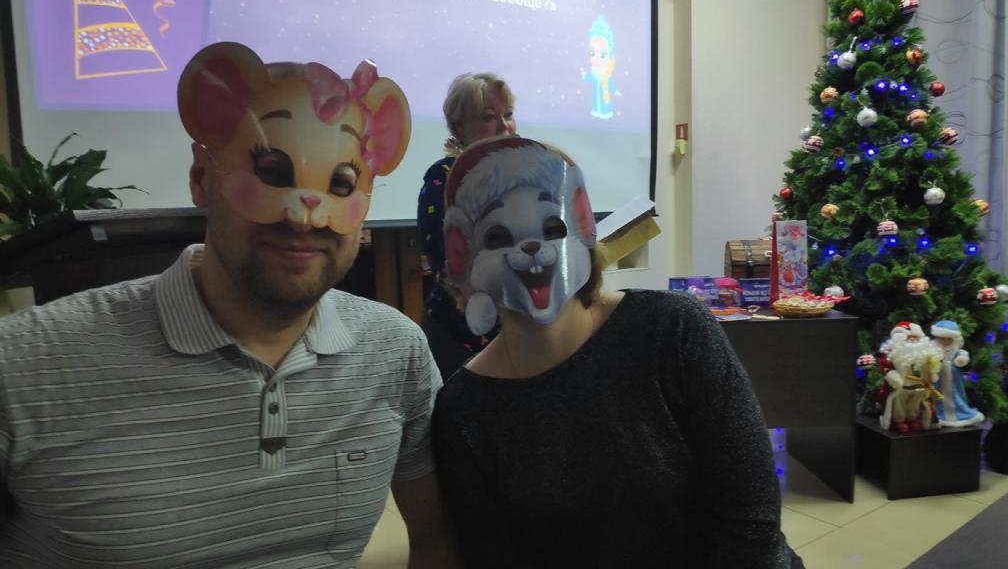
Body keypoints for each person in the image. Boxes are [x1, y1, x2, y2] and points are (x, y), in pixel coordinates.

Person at [0, 42, 455, 568]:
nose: (304, 216)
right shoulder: (24, 364)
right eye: (272, 171)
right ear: (201, 178)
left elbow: (436, 535)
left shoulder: (395, 353)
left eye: (341, 183)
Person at [432, 136, 802, 568]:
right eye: (497, 235)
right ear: (462, 253)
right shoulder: (464, 411)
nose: (532, 249)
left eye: (552, 228)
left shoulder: (673, 330)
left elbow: (751, 523)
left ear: (582, 226)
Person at [416, 72, 516, 380]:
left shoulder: (523, 178)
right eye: (489, 116)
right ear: (460, 127)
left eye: (509, 114)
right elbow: (443, 255)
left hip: (516, 325)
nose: (504, 126)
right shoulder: (444, 176)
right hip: (457, 330)